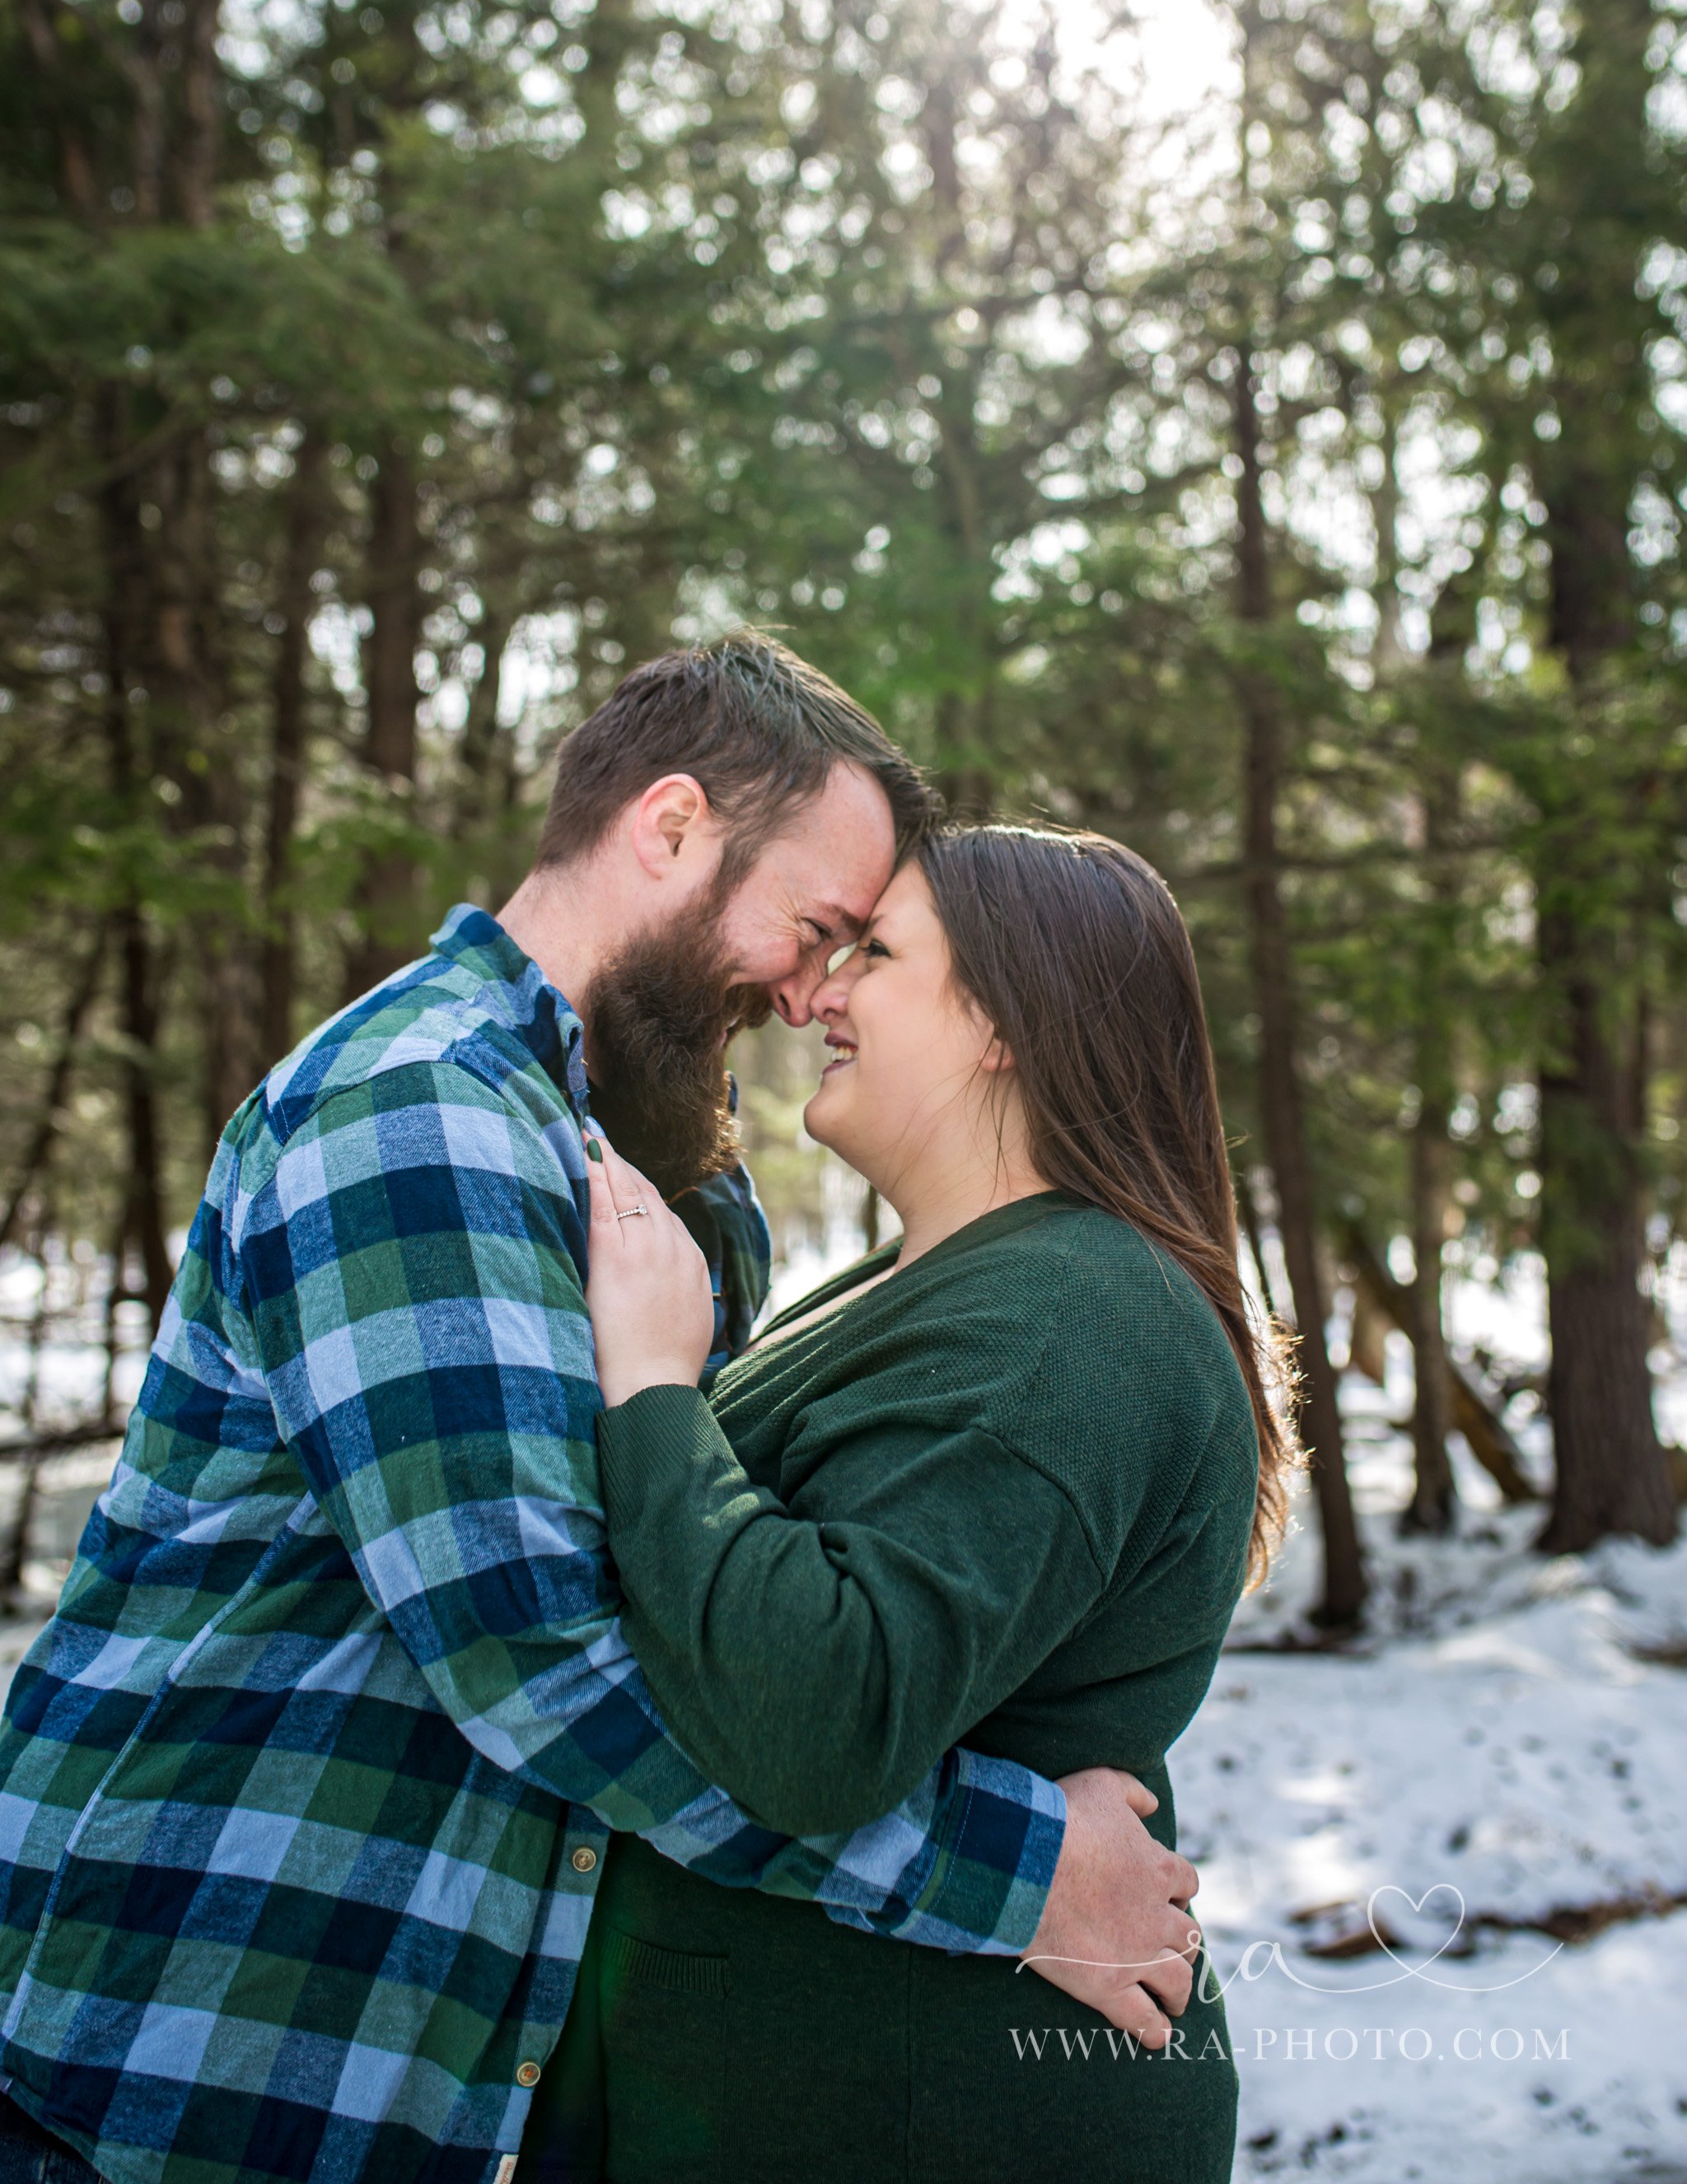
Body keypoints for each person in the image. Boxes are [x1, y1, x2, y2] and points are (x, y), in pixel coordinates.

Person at [0, 641, 1202, 2184]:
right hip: (197, 2039)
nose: (807, 992)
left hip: (400, 2067)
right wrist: (1020, 1877)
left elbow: (689, 1603)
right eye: (815, 927)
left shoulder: (635, 1171)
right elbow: (539, 1656)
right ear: (672, 829)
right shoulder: (415, 1115)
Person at [523, 822, 1295, 2184]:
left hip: (939, 2113)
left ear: (1005, 1019)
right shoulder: (947, 1282)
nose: (818, 992)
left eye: (874, 954)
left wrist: (649, 1387)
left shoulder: (1071, 1317)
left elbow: (821, 1715)